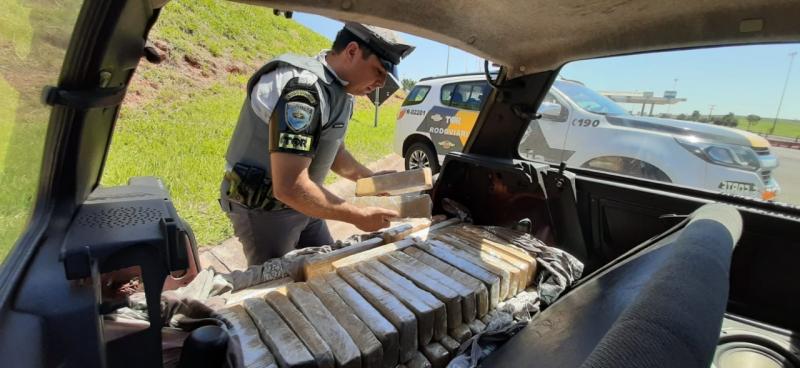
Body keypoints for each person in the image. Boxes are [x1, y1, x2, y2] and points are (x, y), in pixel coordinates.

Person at [220, 22, 415, 265]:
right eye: (378, 71)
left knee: (327, 265)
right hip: (265, 209)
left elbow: (333, 152)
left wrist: (370, 180)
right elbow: (289, 186)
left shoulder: (342, 93)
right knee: (276, 285)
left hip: (305, 202)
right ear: (352, 51)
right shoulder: (302, 89)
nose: (380, 83)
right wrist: (359, 215)